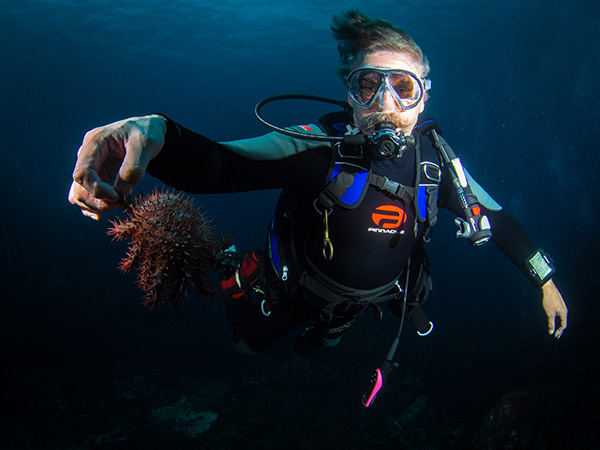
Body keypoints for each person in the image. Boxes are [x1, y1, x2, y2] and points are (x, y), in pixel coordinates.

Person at [68, 10, 568, 381]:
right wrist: (157, 134)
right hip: (297, 286)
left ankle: (315, 343)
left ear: (425, 98)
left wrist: (544, 280)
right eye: (368, 85)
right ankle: (235, 271)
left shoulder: (437, 166)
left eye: (403, 88)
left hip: (363, 301)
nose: (386, 104)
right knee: (249, 344)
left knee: (323, 343)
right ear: (349, 94)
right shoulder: (317, 148)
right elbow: (220, 165)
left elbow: (496, 220)